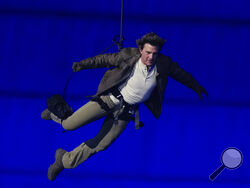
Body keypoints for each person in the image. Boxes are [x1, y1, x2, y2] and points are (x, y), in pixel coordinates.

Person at [41, 32, 208, 181]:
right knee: (70, 124)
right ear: (141, 49)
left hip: (126, 111)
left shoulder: (163, 64)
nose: (151, 57)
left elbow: (181, 74)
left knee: (102, 144)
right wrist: (83, 65)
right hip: (109, 100)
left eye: (154, 54)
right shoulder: (129, 55)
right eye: (148, 52)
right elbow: (104, 59)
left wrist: (196, 86)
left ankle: (64, 160)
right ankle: (53, 115)